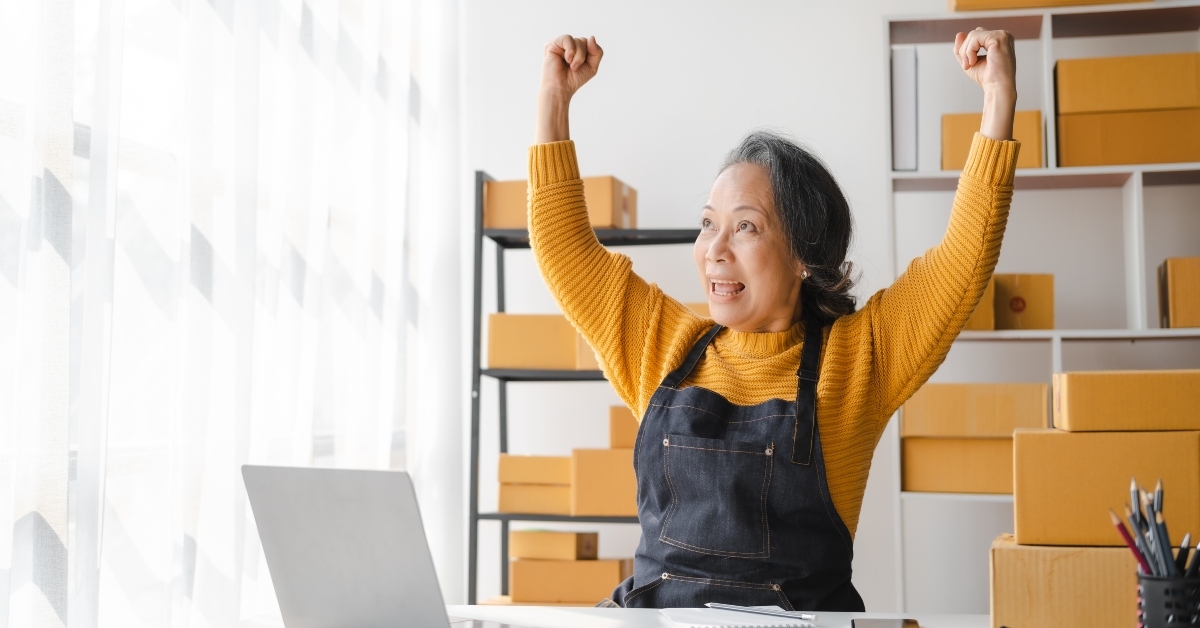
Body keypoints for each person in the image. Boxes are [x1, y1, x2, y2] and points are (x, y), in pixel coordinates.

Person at [528, 29, 1019, 611]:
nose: (714, 248)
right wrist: (554, 98)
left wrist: (997, 97)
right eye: (708, 223)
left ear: (804, 257)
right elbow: (564, 248)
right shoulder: (663, 348)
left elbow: (962, 260)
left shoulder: (859, 361)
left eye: (746, 227)